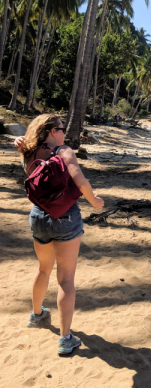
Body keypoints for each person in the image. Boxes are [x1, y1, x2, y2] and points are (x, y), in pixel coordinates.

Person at [14, 114, 104, 355]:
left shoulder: (30, 152)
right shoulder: (64, 151)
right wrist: (94, 202)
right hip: (65, 216)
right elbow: (80, 179)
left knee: (43, 269)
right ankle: (65, 339)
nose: (65, 133)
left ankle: (36, 315)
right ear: (53, 131)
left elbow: (28, 175)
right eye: (62, 129)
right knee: (66, 278)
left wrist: (23, 150)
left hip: (37, 216)